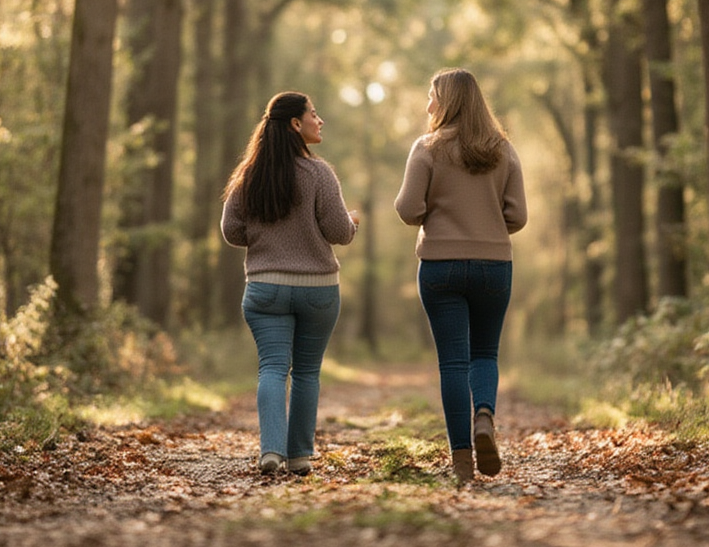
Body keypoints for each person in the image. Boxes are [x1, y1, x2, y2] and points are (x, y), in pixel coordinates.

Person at [394, 68, 527, 484]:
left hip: (440, 267)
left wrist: (437, 214)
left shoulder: (427, 148)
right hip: (493, 267)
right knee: (485, 353)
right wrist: (486, 223)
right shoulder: (502, 149)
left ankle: (462, 462)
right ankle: (484, 414)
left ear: (446, 100)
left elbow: (406, 209)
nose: (427, 104)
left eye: (431, 96)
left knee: (452, 363)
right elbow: (517, 216)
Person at [221, 91, 360, 476]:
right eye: (314, 114)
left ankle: (271, 451)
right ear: (296, 124)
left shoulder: (249, 175)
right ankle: (299, 456)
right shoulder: (319, 174)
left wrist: (267, 238)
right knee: (306, 372)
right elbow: (338, 233)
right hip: (318, 290)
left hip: (265, 288)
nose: (321, 120)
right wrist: (352, 223)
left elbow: (232, 230)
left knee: (272, 368)